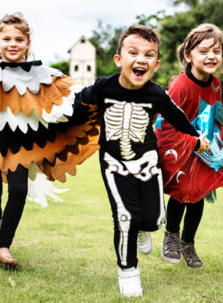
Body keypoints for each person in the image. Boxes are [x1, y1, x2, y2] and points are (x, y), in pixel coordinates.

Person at [0, 12, 99, 269]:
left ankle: (3, 247)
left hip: (21, 144)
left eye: (19, 39)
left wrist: (105, 90)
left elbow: (73, 93)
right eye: (7, 39)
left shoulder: (42, 74)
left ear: (27, 42)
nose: (13, 44)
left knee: (19, 190)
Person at [78, 25, 209, 297]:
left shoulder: (156, 93)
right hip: (113, 162)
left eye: (149, 55)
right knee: (125, 216)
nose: (141, 59)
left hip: (148, 160)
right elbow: (77, 104)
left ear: (156, 64)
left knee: (152, 219)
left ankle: (142, 229)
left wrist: (197, 138)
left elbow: (177, 118)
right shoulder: (103, 87)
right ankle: (128, 272)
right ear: (119, 59)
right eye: (133, 52)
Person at [154, 23, 223, 268]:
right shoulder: (180, 85)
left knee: (198, 197)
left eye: (216, 51)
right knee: (181, 194)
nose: (211, 56)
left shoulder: (215, 84)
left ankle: (188, 243)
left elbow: (214, 114)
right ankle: (171, 236)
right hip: (181, 150)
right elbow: (166, 123)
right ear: (188, 55)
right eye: (204, 51)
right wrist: (191, 142)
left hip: (204, 151)